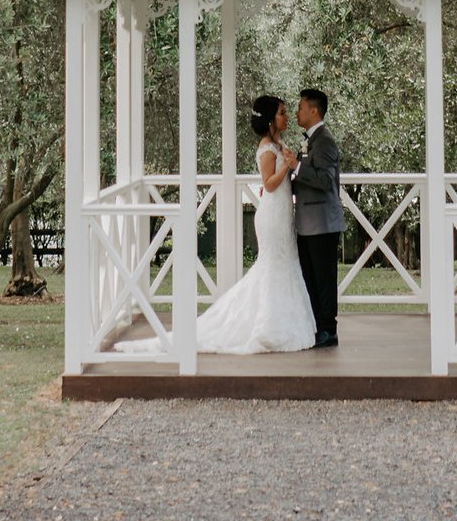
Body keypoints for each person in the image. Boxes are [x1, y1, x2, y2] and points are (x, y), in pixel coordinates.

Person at [129, 95, 316, 355]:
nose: (286, 117)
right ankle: (265, 326)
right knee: (273, 266)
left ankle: (284, 323)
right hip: (272, 217)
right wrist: (287, 166)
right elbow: (269, 183)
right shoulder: (266, 148)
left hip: (283, 214)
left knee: (285, 264)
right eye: (282, 113)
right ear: (270, 120)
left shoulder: (278, 144)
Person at [289, 86, 342, 348]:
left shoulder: (325, 142)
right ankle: (316, 327)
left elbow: (324, 180)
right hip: (307, 223)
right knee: (310, 279)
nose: (296, 112)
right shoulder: (310, 141)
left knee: (323, 280)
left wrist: (296, 166)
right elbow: (303, 178)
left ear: (313, 110)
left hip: (322, 223)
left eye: (300, 107)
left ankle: (328, 330)